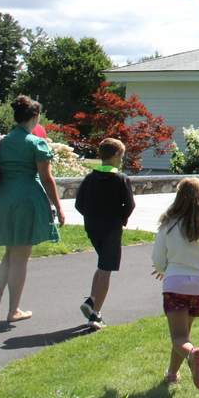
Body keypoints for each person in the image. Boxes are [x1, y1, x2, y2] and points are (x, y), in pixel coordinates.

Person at [0, 95, 66, 323]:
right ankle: (13, 310)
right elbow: (47, 179)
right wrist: (58, 207)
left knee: (10, 252)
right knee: (21, 257)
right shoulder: (36, 143)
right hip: (26, 200)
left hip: (2, 199)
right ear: (35, 116)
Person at [151, 177, 199, 389]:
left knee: (178, 337)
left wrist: (164, 270)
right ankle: (172, 374)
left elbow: (157, 259)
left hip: (175, 285)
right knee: (184, 335)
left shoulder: (168, 225)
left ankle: (193, 355)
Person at [75, 137, 136, 330]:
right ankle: (96, 314)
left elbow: (79, 203)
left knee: (103, 265)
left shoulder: (90, 178)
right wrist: (121, 218)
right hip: (111, 229)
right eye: (122, 156)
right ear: (117, 155)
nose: (122, 160)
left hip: (93, 228)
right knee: (106, 270)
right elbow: (130, 204)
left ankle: (91, 300)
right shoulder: (121, 179)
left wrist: (91, 216)